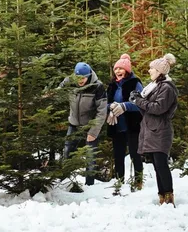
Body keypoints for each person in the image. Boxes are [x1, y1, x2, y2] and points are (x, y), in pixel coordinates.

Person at [129, 53, 178, 207]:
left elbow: (158, 108)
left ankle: (169, 197)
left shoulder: (167, 88)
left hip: (161, 130)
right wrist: (137, 100)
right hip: (153, 130)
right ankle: (162, 197)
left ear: (159, 71)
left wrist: (139, 100)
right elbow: (147, 111)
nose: (149, 71)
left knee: (161, 164)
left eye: (151, 68)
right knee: (157, 166)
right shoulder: (154, 87)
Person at [60, 62, 107, 185]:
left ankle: (89, 184)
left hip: (90, 125)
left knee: (90, 155)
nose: (81, 80)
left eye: (84, 78)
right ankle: (64, 181)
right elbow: (57, 93)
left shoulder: (98, 87)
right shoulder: (69, 82)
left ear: (89, 75)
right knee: (67, 151)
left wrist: (93, 131)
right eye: (78, 78)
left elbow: (102, 112)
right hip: (74, 124)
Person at [106, 54, 143, 190]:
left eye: (121, 69)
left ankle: (138, 181)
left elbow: (140, 103)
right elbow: (105, 102)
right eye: (116, 69)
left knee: (134, 153)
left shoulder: (135, 83)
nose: (118, 71)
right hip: (116, 124)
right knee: (118, 154)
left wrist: (124, 106)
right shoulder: (112, 85)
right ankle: (119, 180)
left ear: (127, 70)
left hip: (132, 125)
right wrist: (110, 107)